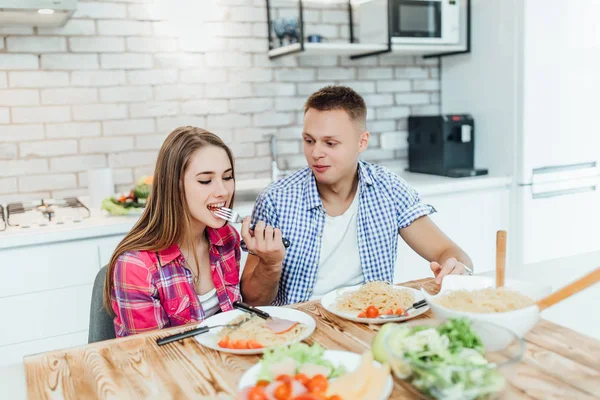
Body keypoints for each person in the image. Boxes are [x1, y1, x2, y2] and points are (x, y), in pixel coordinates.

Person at [240, 85, 474, 306]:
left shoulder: (389, 189)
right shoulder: (276, 200)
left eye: (330, 143)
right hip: (301, 327)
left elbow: (452, 253)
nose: (315, 153)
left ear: (362, 142)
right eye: (309, 140)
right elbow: (253, 301)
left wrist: (454, 267)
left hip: (370, 320)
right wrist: (270, 265)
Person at [103, 126, 284, 337]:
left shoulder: (227, 239)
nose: (223, 191)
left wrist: (270, 262)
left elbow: (236, 317)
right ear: (174, 186)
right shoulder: (136, 266)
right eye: (205, 180)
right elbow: (151, 354)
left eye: (227, 177)